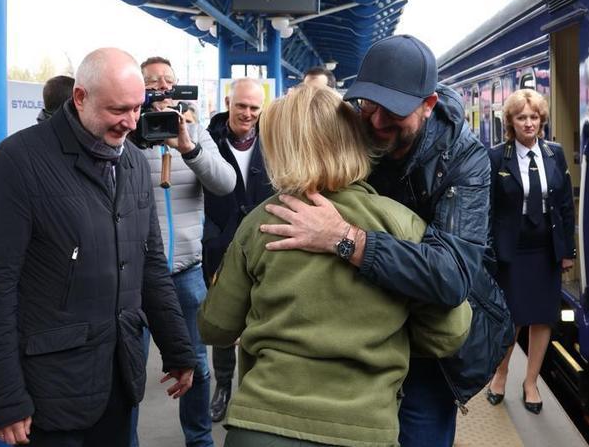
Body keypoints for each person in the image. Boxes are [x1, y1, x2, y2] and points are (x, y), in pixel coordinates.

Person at [198, 84, 472, 447]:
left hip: (261, 425)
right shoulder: (400, 224)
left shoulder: (262, 224)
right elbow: (449, 333)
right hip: (362, 429)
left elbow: (215, 327)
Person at [259, 35, 491, 445]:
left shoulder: (465, 159)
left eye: (394, 112)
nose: (377, 124)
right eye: (369, 106)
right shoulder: (355, 123)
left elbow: (453, 276)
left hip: (426, 347)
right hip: (361, 339)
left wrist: (344, 239)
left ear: (428, 104)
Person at [0, 47, 196, 446]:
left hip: (120, 381)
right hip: (49, 395)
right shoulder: (15, 163)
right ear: (80, 98)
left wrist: (178, 349)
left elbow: (150, 265)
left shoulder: (135, 164)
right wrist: (3, 397)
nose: (130, 122)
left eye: (137, 109)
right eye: (117, 110)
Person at [134, 56, 236, 447]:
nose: (161, 87)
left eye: (168, 80)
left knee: (196, 364)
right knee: (130, 369)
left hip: (188, 269)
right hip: (140, 272)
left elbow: (226, 183)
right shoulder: (130, 131)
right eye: (151, 82)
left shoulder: (194, 129)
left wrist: (188, 147)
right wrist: (139, 133)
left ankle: (200, 440)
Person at [485, 89, 575, 414]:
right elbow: (489, 209)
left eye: (534, 117)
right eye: (522, 117)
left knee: (543, 317)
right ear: (510, 121)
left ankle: (531, 382)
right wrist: (490, 251)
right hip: (513, 249)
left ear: (542, 120)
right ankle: (501, 374)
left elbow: (565, 205)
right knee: (512, 318)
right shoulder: (497, 157)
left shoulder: (555, 153)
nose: (529, 123)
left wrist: (568, 251)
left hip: (545, 248)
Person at [201, 78, 272, 423]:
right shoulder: (208, 141)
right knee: (223, 321)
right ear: (229, 102)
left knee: (262, 318)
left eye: (254, 108)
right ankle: (224, 386)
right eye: (241, 105)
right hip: (220, 247)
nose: (247, 113)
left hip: (264, 246)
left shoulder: (273, 143)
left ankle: (254, 391)